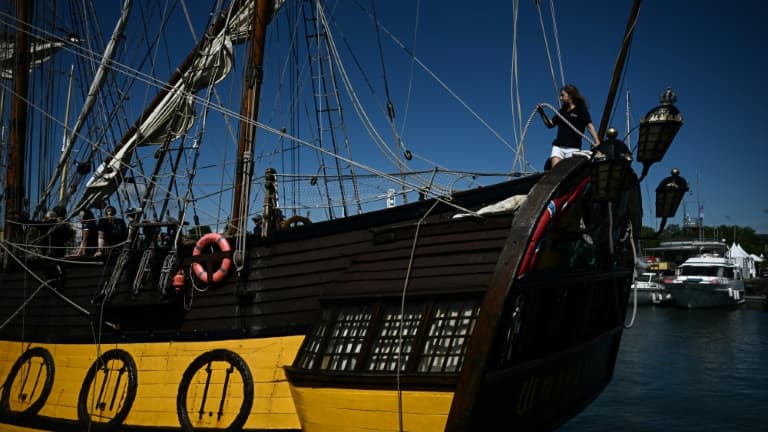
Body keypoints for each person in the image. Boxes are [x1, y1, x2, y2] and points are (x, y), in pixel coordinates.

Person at [537, 84, 600, 168]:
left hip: (573, 148)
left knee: (569, 175)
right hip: (558, 146)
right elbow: (550, 124)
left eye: (562, 95)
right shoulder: (562, 111)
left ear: (570, 95)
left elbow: (589, 126)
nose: (560, 98)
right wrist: (542, 113)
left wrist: (597, 142)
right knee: (555, 173)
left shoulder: (581, 110)